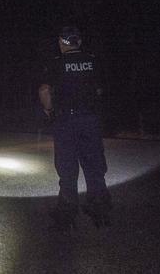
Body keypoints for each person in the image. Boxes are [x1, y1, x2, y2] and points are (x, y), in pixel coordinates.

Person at [39, 26, 111, 230]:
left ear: (62, 42)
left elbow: (44, 90)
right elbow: (100, 89)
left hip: (65, 122)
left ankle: (68, 211)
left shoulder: (56, 64)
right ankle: (100, 208)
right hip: (90, 120)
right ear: (79, 42)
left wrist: (49, 109)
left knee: (67, 167)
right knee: (95, 165)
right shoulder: (93, 61)